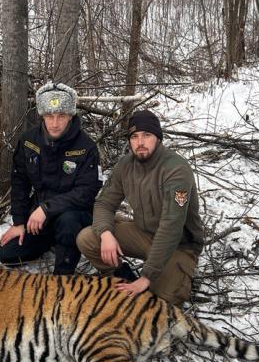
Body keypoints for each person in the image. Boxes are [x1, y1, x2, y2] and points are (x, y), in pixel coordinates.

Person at [76, 109, 204, 305]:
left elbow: (171, 226)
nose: (140, 142)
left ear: (158, 138)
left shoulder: (176, 169)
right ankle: (121, 276)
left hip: (179, 245)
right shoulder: (125, 165)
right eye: (134, 136)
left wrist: (147, 276)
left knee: (161, 299)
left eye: (147, 135)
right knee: (88, 238)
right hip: (143, 233)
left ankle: (167, 275)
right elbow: (104, 203)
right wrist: (106, 234)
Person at [0, 81, 101, 275]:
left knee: (68, 222)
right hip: (40, 216)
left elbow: (86, 192)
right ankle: (52, 240)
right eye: (49, 116)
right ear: (42, 116)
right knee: (8, 254)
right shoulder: (29, 141)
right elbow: (19, 181)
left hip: (74, 216)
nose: (55, 123)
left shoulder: (86, 147)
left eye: (61, 116)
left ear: (70, 116)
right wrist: (19, 222)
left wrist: (46, 209)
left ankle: (62, 276)